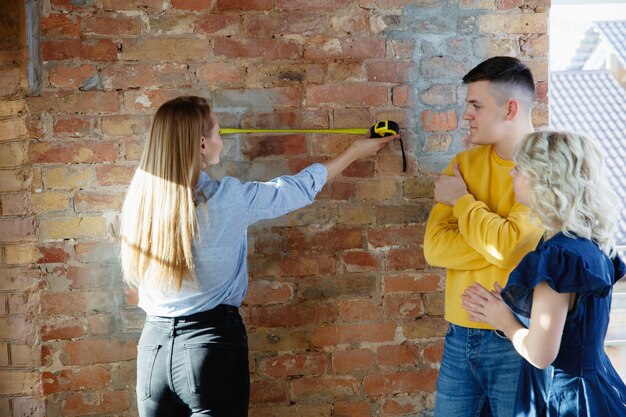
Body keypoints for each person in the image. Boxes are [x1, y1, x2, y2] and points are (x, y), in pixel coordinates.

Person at [119, 95, 398, 417]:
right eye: (218, 134)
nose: (221, 142)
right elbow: (296, 189)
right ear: (201, 145)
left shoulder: (139, 203)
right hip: (208, 346)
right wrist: (354, 153)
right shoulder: (227, 199)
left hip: (152, 349)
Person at [462, 130, 626, 417]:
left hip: (568, 401)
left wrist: (503, 320)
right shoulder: (591, 244)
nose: (512, 174)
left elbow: (540, 354)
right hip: (597, 389)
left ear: (545, 180)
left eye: (520, 169)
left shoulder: (558, 257)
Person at [423, 56, 545, 417]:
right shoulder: (463, 165)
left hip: (517, 336)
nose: (466, 115)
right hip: (459, 335)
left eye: (476, 105)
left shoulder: (548, 166)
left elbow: (510, 249)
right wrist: (502, 237)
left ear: (510, 108)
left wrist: (462, 201)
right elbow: (435, 247)